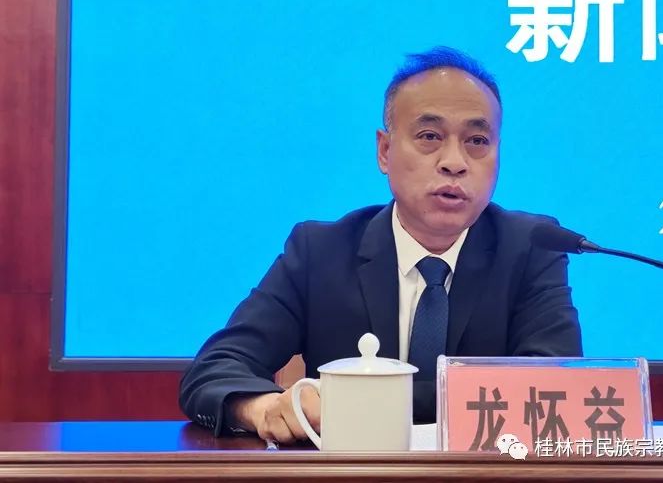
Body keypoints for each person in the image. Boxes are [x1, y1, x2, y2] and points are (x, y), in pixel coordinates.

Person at [179, 46, 583, 443]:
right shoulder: (320, 252)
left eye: (477, 141)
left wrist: (357, 401)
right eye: (429, 136)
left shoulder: (530, 247)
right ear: (385, 151)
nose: (455, 162)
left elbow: (552, 386)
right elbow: (215, 369)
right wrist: (262, 408)